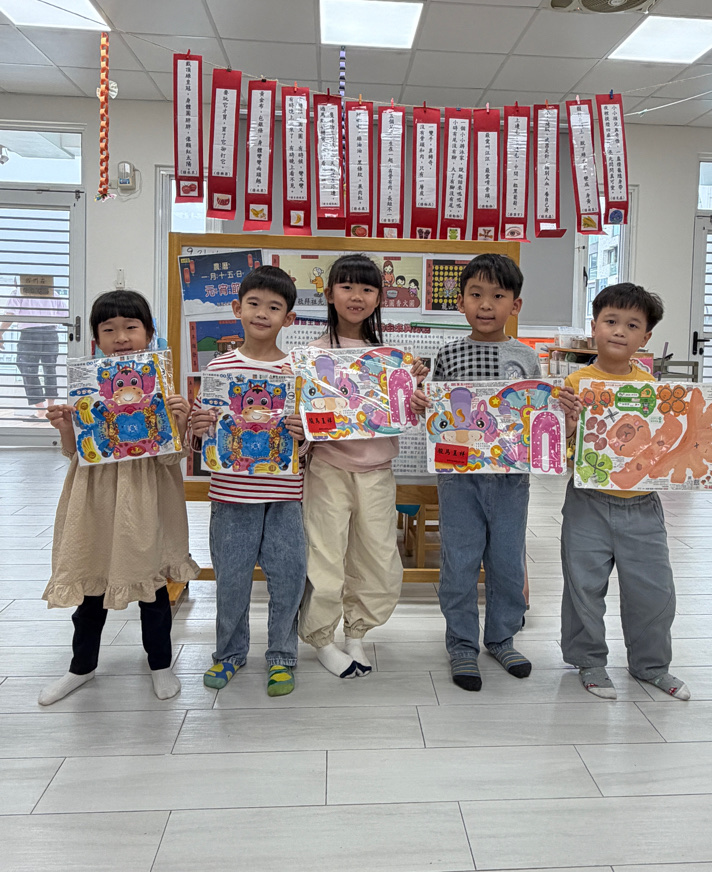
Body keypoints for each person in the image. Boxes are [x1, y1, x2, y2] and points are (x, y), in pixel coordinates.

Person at [560, 283, 712, 701]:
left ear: (646, 337)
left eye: (632, 325)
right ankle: (589, 662)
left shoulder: (655, 389)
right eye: (611, 321)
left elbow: (675, 439)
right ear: (594, 327)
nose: (620, 331)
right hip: (587, 502)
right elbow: (559, 449)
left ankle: (651, 665)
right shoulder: (574, 384)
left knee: (654, 590)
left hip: (643, 506)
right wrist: (567, 422)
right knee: (583, 588)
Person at [410, 254, 565, 691]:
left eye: (497, 296)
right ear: (460, 302)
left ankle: (501, 638)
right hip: (458, 479)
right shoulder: (447, 354)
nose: (485, 305)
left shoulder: (526, 357)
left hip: (511, 480)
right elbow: (437, 416)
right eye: (475, 294)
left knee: (508, 562)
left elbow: (536, 413)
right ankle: (462, 644)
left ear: (515, 305)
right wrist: (423, 405)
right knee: (459, 562)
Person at [39, 290, 199, 706]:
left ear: (149, 333)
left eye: (131, 327)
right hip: (95, 499)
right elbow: (76, 452)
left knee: (152, 586)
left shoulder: (161, 385)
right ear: (96, 339)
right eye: (109, 330)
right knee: (92, 583)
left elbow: (173, 456)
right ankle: (81, 666)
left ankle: (160, 664)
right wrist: (66, 427)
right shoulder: (87, 384)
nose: (121, 337)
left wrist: (180, 422)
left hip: (146, 496)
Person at [299, 254, 424, 678]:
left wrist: (415, 394)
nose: (357, 296)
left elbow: (405, 417)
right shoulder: (311, 355)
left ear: (379, 298)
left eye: (367, 288)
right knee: (324, 555)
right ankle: (322, 638)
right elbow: (302, 420)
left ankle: (357, 633)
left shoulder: (391, 359)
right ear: (329, 294)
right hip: (327, 468)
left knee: (377, 556)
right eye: (347, 286)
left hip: (377, 470)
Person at [189, 266, 308, 697]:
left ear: (288, 318)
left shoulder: (298, 371)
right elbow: (204, 431)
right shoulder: (219, 367)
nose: (262, 313)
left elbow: (309, 439)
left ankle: (282, 656)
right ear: (237, 308)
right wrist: (199, 426)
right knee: (232, 580)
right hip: (230, 495)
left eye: (274, 307)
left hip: (285, 496)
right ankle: (229, 654)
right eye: (254, 304)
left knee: (289, 578)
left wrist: (304, 435)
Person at [0, 285, 67, 418]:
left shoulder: (19, 292)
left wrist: (1, 332)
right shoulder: (52, 292)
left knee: (27, 368)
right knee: (50, 370)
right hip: (51, 333)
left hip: (30, 333)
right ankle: (51, 408)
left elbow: (10, 315)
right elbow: (64, 314)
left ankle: (41, 409)